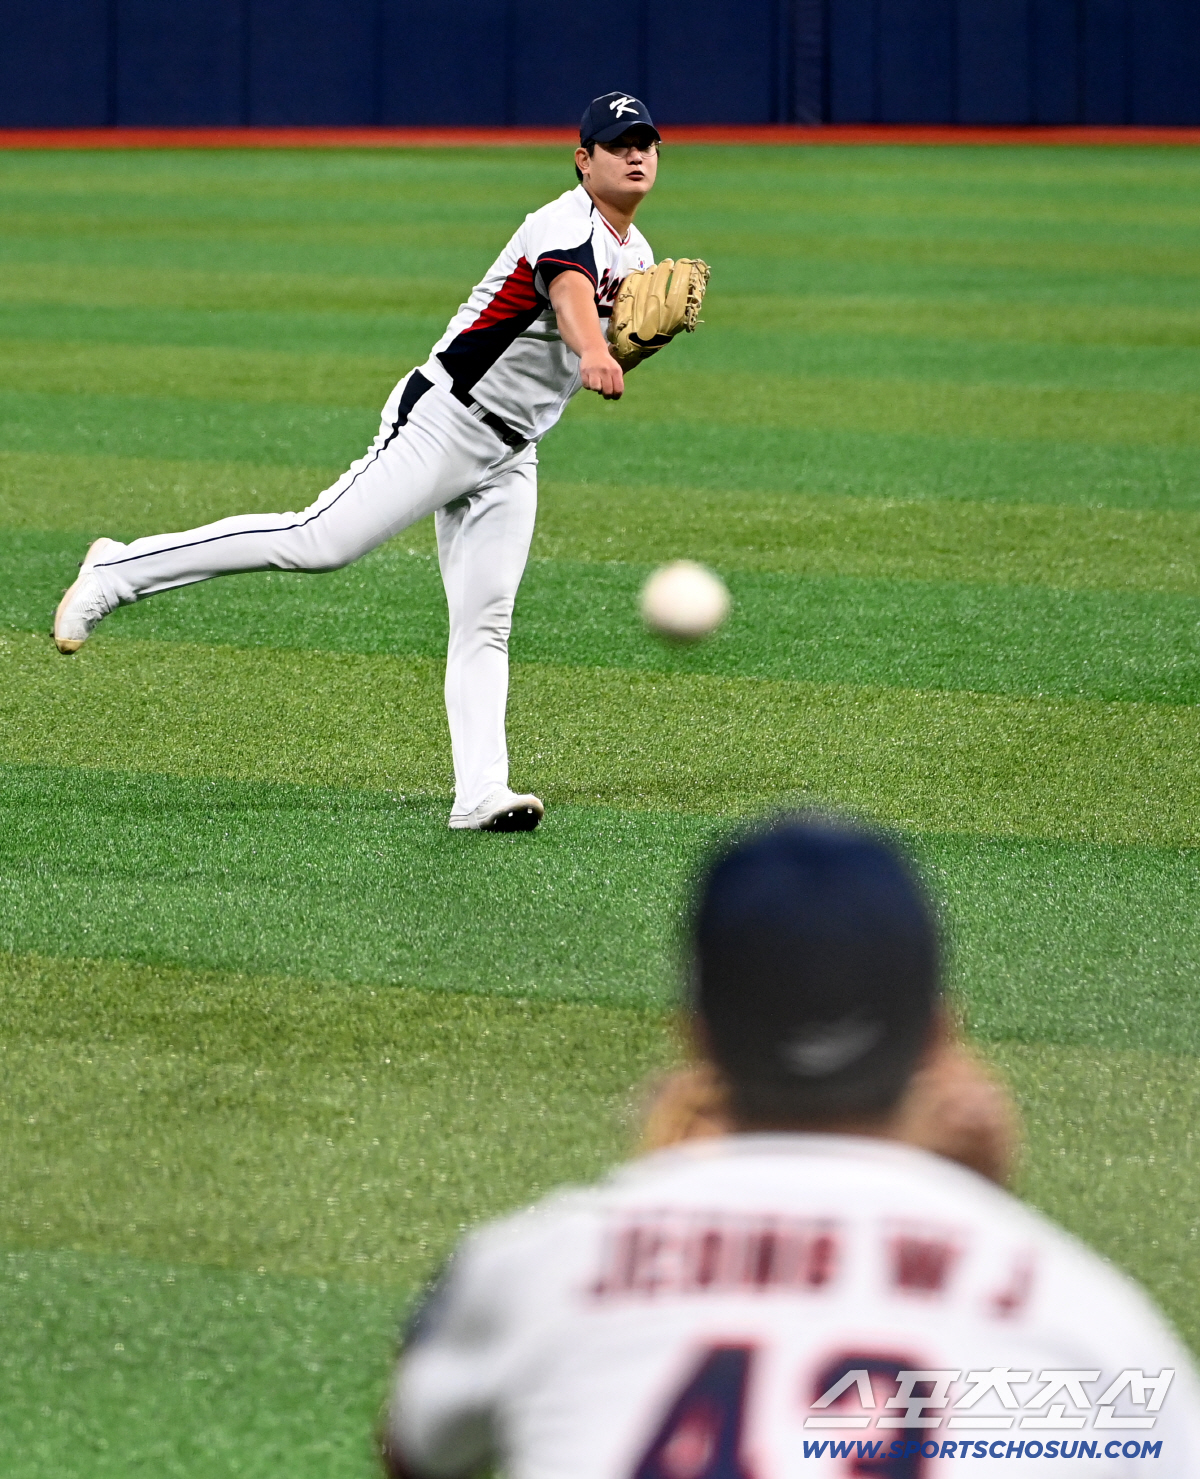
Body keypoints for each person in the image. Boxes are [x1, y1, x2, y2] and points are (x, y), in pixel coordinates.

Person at [382, 817, 1200, 1476]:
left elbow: (415, 1447)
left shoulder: (536, 1266)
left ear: (695, 1037)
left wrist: (651, 1194)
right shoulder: (1090, 1324)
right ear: (939, 1035)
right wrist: (988, 1209)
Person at [53, 93, 672, 832]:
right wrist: (597, 348)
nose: (636, 155)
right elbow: (570, 300)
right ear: (584, 160)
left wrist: (630, 348)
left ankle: (481, 793)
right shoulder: (562, 225)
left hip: (512, 453)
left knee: (487, 619)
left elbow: (595, 351)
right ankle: (118, 571)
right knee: (317, 540)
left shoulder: (639, 256)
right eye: (618, 144)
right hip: (445, 420)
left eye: (645, 143)